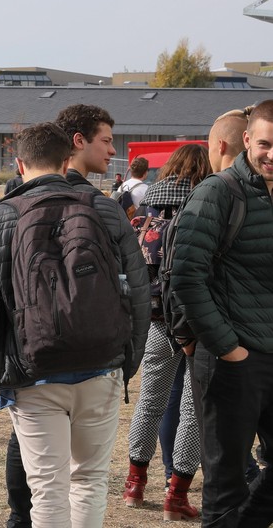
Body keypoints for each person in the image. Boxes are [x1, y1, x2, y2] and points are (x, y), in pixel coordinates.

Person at [0, 122, 149, 528]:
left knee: (47, 485)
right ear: (67, 161)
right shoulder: (104, 209)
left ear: (18, 163)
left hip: (33, 373)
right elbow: (138, 292)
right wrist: (125, 361)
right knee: (90, 478)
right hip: (101, 364)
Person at [171, 99, 273, 526]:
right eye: (266, 143)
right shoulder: (218, 192)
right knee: (225, 484)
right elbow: (185, 276)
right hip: (233, 358)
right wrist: (227, 348)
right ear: (247, 140)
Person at [121, 144, 210, 520]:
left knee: (150, 400)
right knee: (193, 405)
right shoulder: (204, 203)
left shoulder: (148, 206)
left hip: (157, 316)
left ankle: (134, 483)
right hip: (197, 317)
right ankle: (177, 494)